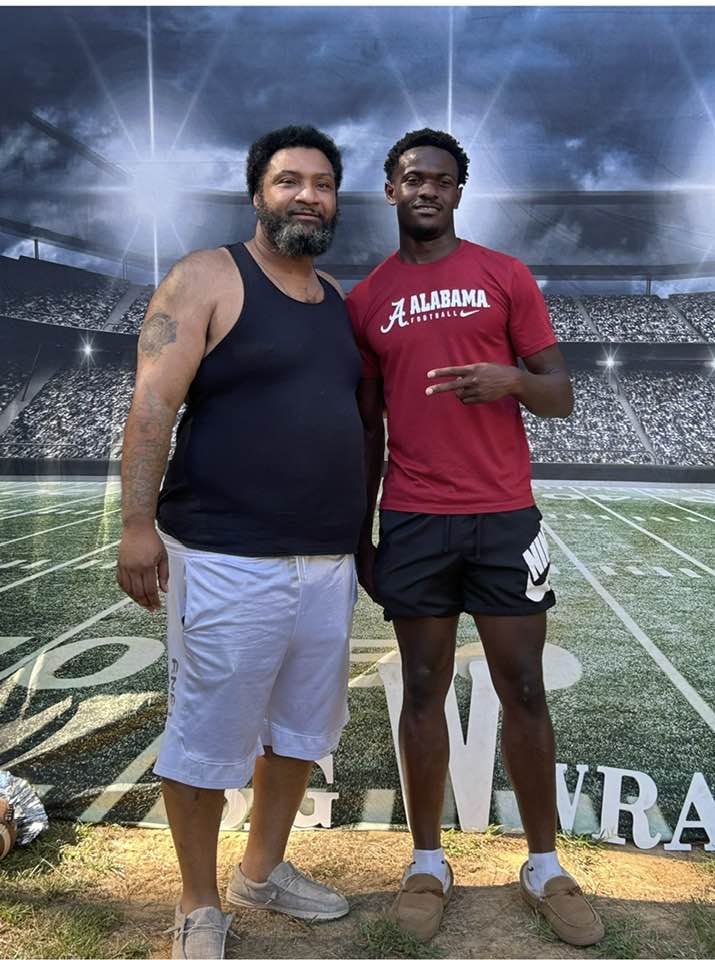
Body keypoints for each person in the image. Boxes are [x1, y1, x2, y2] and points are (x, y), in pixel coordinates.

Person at [347, 128, 604, 947]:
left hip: (502, 515)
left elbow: (559, 395)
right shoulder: (366, 300)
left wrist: (511, 381)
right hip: (415, 517)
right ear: (389, 190)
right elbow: (365, 430)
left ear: (459, 193)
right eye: (411, 177)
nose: (426, 189)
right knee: (421, 690)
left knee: (523, 689)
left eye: (442, 179)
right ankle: (426, 862)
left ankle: (542, 864)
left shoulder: (505, 275)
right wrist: (364, 537)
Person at [117, 125, 365, 959]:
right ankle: (197, 902)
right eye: (289, 180)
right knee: (205, 735)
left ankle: (262, 870)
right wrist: (135, 524)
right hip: (224, 556)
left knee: (298, 732)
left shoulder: (335, 299)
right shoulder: (205, 277)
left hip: (326, 560)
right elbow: (153, 405)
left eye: (322, 183)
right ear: (257, 191)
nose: (307, 195)